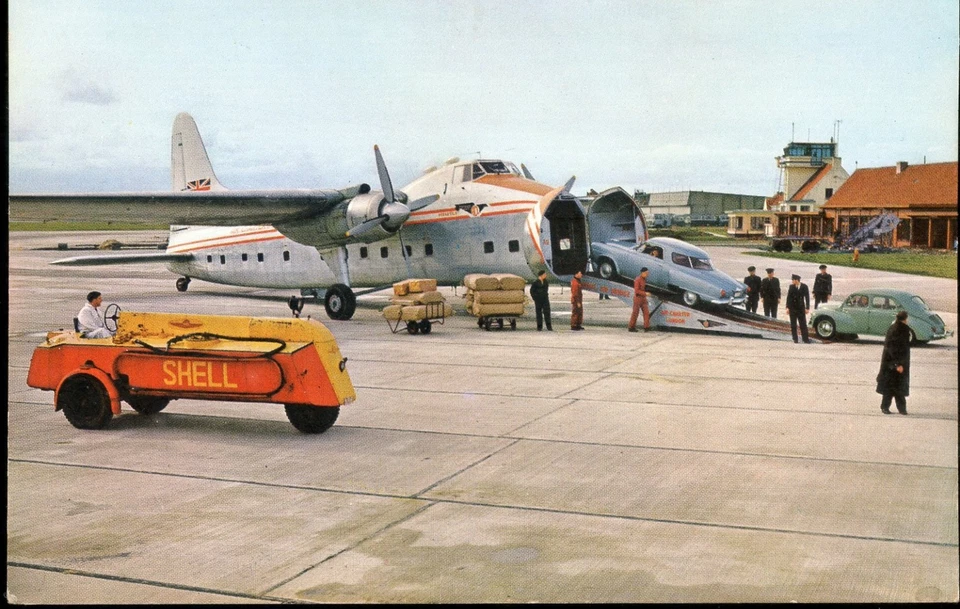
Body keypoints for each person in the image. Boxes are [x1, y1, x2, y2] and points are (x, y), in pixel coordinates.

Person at [876, 310, 911, 415]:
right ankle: (888, 407)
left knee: (894, 386)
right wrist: (897, 364)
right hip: (894, 364)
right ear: (904, 319)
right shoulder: (900, 330)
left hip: (892, 363)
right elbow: (893, 349)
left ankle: (899, 409)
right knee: (892, 386)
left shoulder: (894, 328)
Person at [785, 274, 811, 343]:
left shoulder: (804, 286)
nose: (792, 281)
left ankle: (805, 339)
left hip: (801, 308)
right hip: (793, 308)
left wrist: (807, 307)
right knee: (793, 324)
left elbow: (807, 297)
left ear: (797, 280)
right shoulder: (791, 287)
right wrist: (787, 307)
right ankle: (795, 338)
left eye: (793, 280)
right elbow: (789, 298)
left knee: (803, 324)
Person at [628, 267, 651, 332]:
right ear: (642, 273)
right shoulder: (637, 280)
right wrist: (645, 294)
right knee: (635, 313)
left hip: (643, 298)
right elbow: (636, 291)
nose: (647, 274)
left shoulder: (644, 279)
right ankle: (631, 327)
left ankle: (646, 327)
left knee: (646, 313)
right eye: (646, 273)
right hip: (638, 298)